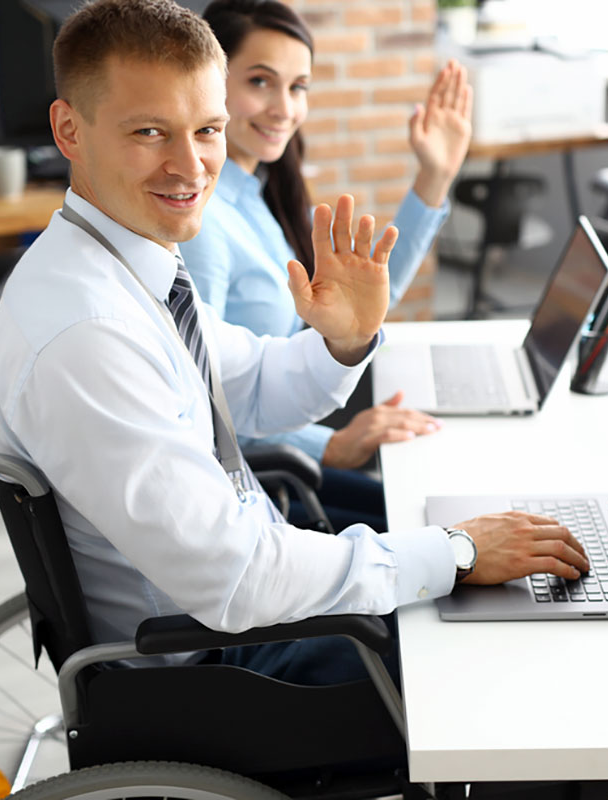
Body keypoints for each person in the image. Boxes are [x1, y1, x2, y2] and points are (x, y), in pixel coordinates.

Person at [0, 0, 588, 686]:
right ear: (69, 130)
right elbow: (239, 576)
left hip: (249, 599)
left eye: (206, 130)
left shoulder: (124, 265)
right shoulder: (88, 335)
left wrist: (342, 341)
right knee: (517, 658)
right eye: (149, 132)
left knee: (495, 594)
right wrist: (456, 553)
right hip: (215, 662)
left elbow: (254, 382)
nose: (191, 166)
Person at [178, 0, 474, 529]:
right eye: (261, 82)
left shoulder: (256, 195)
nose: (284, 108)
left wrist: (434, 176)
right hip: (251, 489)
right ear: (208, 82)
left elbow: (360, 306)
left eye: (298, 88)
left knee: (446, 505)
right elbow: (199, 406)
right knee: (439, 536)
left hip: (281, 456)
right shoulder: (203, 223)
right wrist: (331, 444)